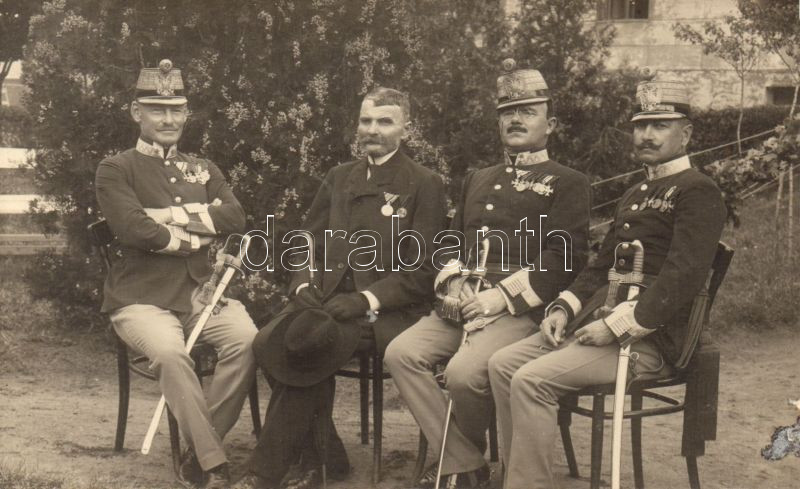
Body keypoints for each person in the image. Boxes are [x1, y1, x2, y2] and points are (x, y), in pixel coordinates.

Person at [488, 73, 727, 489]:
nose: (647, 135)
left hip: (651, 339)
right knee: (502, 364)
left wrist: (616, 326)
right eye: (640, 125)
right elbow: (600, 267)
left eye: (660, 125)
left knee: (531, 379)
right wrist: (563, 309)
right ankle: (519, 476)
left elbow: (683, 276)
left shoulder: (698, 190)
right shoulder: (635, 193)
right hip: (600, 323)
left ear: (686, 134)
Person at [384, 59, 591, 489]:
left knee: (463, 375)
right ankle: (465, 460)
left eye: (527, 111)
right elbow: (451, 241)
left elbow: (564, 258)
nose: (515, 120)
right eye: (507, 112)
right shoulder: (478, 178)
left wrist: (501, 297)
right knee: (400, 354)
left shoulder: (567, 182)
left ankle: (467, 460)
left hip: (518, 309)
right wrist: (454, 282)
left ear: (550, 124)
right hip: (463, 303)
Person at [243, 87, 448, 489]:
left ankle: (266, 472)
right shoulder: (340, 177)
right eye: (366, 121)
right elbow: (306, 241)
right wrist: (303, 282)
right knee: (268, 341)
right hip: (325, 300)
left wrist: (366, 299)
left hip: (383, 310)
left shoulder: (424, 183)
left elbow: (423, 270)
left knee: (312, 347)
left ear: (406, 129)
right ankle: (325, 455)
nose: (372, 130)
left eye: (384, 121)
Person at [95, 59, 258, 489]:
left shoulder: (203, 167)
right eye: (157, 110)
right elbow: (134, 229)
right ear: (137, 113)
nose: (168, 120)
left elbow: (236, 217)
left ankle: (198, 452)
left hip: (203, 294)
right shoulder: (116, 168)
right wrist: (198, 233)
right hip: (140, 299)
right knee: (170, 354)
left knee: (247, 340)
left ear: (186, 114)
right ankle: (213, 464)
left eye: (176, 110)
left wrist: (167, 216)